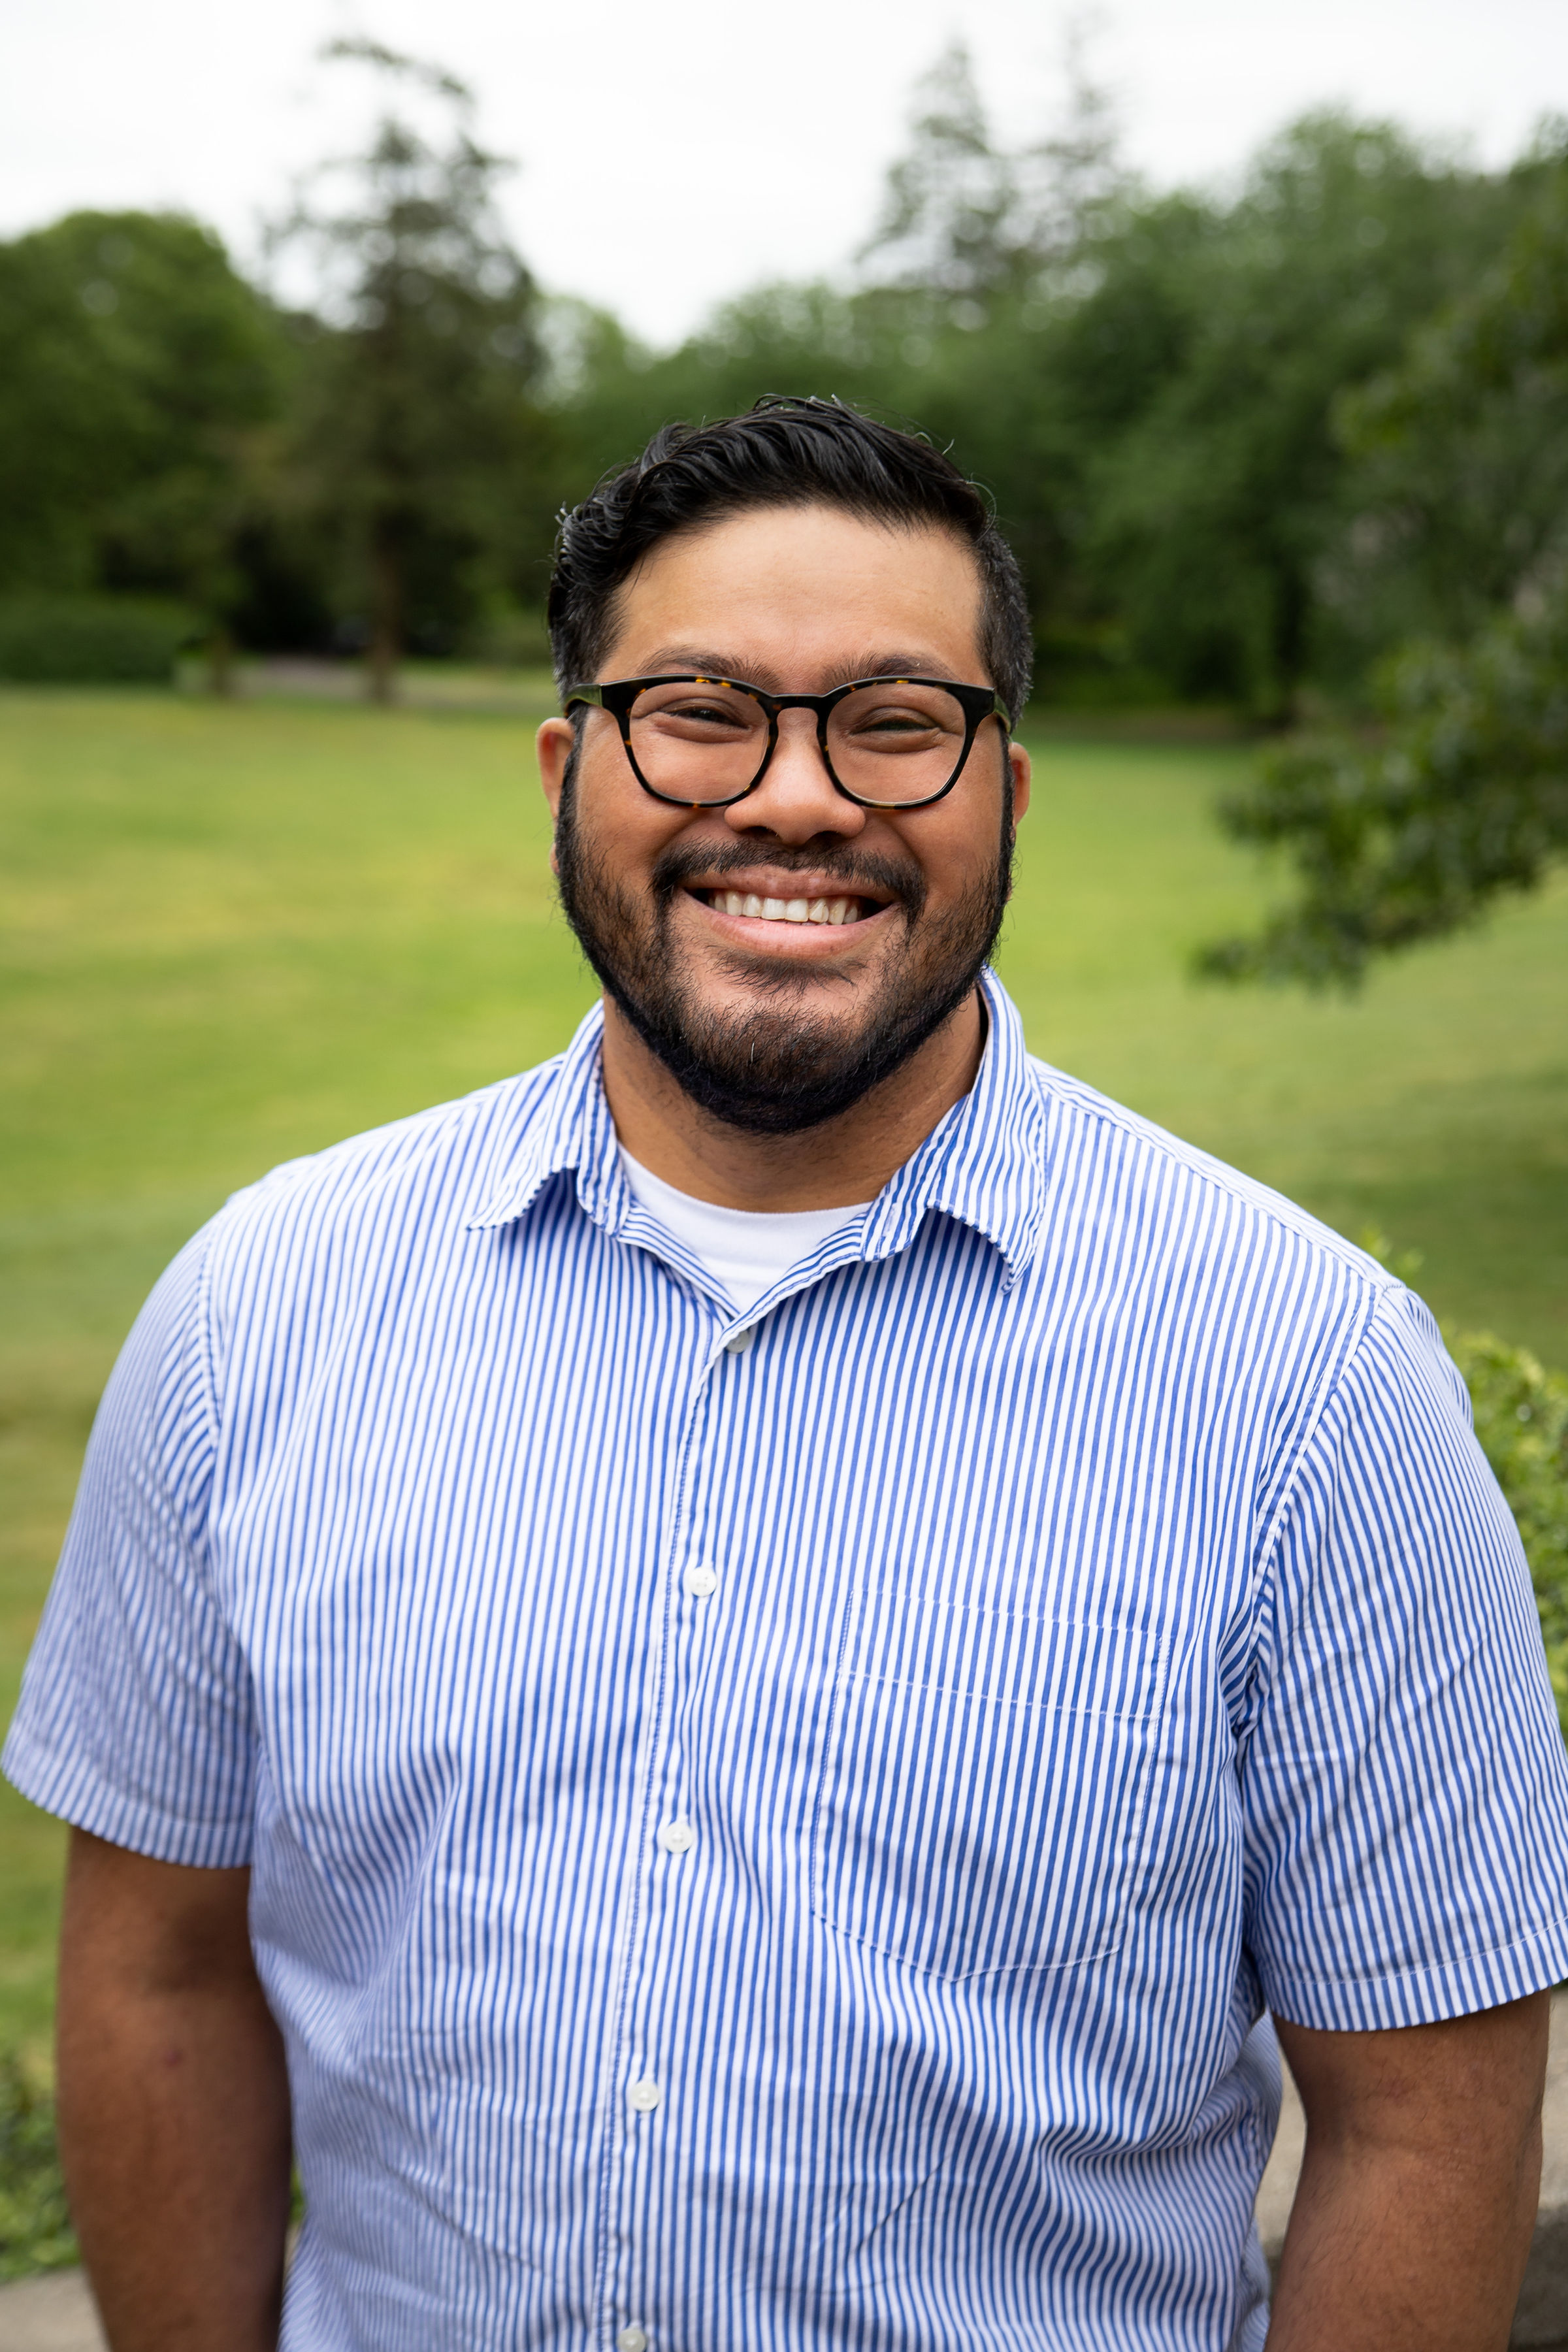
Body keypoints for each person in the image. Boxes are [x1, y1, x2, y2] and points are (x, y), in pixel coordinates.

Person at [7, 396, 1567, 2352]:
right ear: (572, 766)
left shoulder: (1313, 1388)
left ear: (1007, 785)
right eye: (704, 710)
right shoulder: (261, 1316)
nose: (800, 798)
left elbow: (1427, 2123)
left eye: (896, 722)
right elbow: (156, 1974)